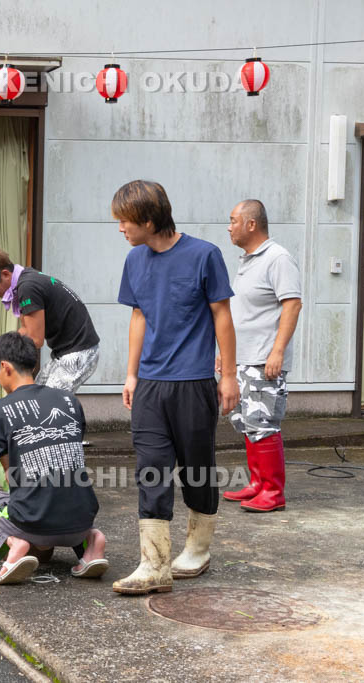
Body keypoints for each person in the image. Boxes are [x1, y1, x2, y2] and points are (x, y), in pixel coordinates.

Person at [111, 180, 239, 595]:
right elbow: (139, 317)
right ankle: (154, 564)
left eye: (125, 222)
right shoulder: (135, 260)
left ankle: (198, 550)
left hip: (193, 381)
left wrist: (230, 375)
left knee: (197, 467)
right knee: (151, 467)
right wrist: (131, 374)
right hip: (150, 383)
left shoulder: (204, 255)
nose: (120, 229)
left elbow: (222, 315)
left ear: (149, 220)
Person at [0, 332, 107, 584]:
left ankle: (15, 542)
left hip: (34, 523)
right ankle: (93, 541)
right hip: (83, 517)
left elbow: (11, 477)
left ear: (5, 367)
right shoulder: (69, 400)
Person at [221, 200, 301, 512]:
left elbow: (292, 305)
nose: (229, 227)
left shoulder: (278, 258)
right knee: (247, 421)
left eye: (233, 220)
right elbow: (244, 313)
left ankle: (273, 491)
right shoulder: (249, 260)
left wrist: (277, 351)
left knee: (264, 422)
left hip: (264, 360)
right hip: (244, 358)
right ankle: (257, 483)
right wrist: (226, 357)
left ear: (251, 224)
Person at [0, 247, 100, 393]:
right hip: (65, 351)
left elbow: (35, 339)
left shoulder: (28, 287)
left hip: (79, 352)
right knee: (35, 395)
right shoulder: (24, 280)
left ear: (5, 274)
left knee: (47, 403)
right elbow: (25, 330)